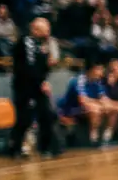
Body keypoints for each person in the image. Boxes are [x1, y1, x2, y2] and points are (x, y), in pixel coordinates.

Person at [10, 17, 58, 158]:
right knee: (24, 118)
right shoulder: (26, 42)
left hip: (38, 86)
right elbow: (28, 67)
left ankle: (45, 148)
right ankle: (15, 147)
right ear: (35, 30)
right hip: (24, 87)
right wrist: (40, 81)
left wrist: (45, 76)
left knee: (46, 115)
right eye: (45, 30)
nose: (47, 32)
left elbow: (43, 66)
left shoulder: (42, 44)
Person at [57, 62, 111, 145]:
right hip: (69, 109)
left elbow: (104, 99)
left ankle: (106, 137)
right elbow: (83, 101)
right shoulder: (78, 80)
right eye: (99, 69)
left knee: (108, 108)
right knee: (95, 109)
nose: (101, 72)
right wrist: (99, 104)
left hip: (84, 108)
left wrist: (104, 104)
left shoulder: (98, 82)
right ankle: (93, 139)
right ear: (91, 70)